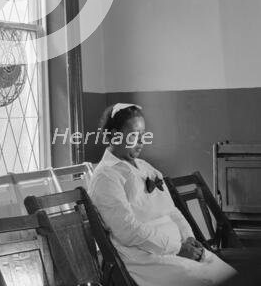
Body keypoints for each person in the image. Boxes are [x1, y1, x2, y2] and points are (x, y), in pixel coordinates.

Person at [88, 103, 237, 286]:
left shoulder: (145, 167)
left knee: (228, 275)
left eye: (143, 135)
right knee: (205, 279)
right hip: (146, 259)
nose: (142, 141)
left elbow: (171, 210)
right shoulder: (106, 176)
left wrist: (189, 238)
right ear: (113, 135)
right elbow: (128, 230)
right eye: (134, 135)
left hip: (179, 249)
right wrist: (177, 248)